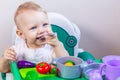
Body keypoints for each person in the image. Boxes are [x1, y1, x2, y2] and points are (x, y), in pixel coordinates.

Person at [1, 1, 69, 72]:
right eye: (33, 28)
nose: (41, 30)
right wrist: (5, 59)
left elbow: (66, 63)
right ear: (21, 34)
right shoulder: (18, 50)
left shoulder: (52, 48)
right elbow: (3, 70)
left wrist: (57, 45)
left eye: (45, 24)